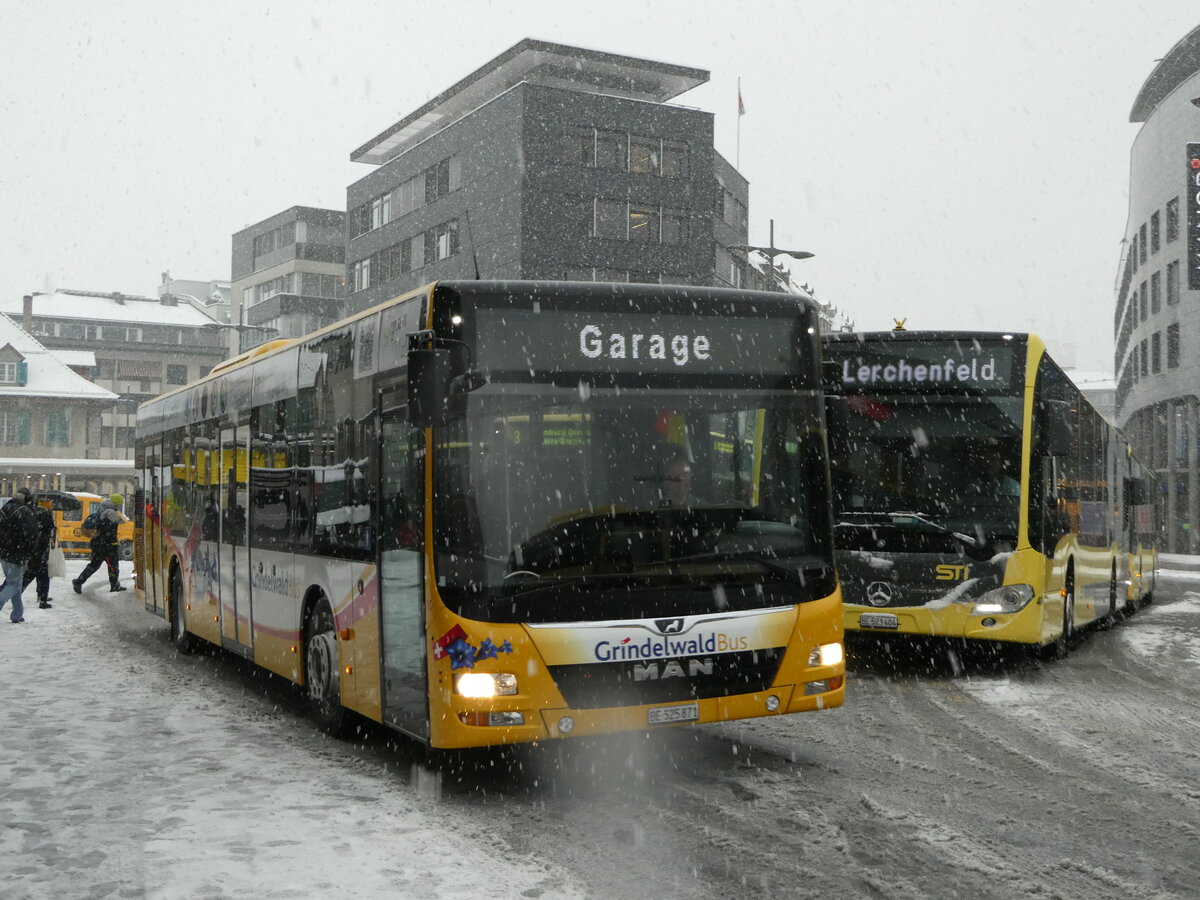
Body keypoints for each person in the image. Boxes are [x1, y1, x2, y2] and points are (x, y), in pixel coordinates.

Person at [73, 494, 126, 593]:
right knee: (113, 567)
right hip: (107, 545)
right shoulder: (110, 513)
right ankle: (114, 585)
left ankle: (78, 581)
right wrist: (113, 542)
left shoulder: (101, 510)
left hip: (97, 544)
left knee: (94, 565)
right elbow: (112, 528)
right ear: (117, 504)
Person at [0, 487, 39, 623]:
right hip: (18, 553)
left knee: (15, 582)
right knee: (14, 585)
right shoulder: (25, 512)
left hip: (4, 552)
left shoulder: (5, 508)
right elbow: (32, 535)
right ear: (27, 500)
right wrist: (31, 552)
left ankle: (17, 614)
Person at [20, 494, 58, 608]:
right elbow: (51, 530)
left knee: (29, 573)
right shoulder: (46, 514)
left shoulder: (31, 512)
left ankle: (17, 593)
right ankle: (43, 599)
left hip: (32, 547)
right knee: (43, 574)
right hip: (42, 546)